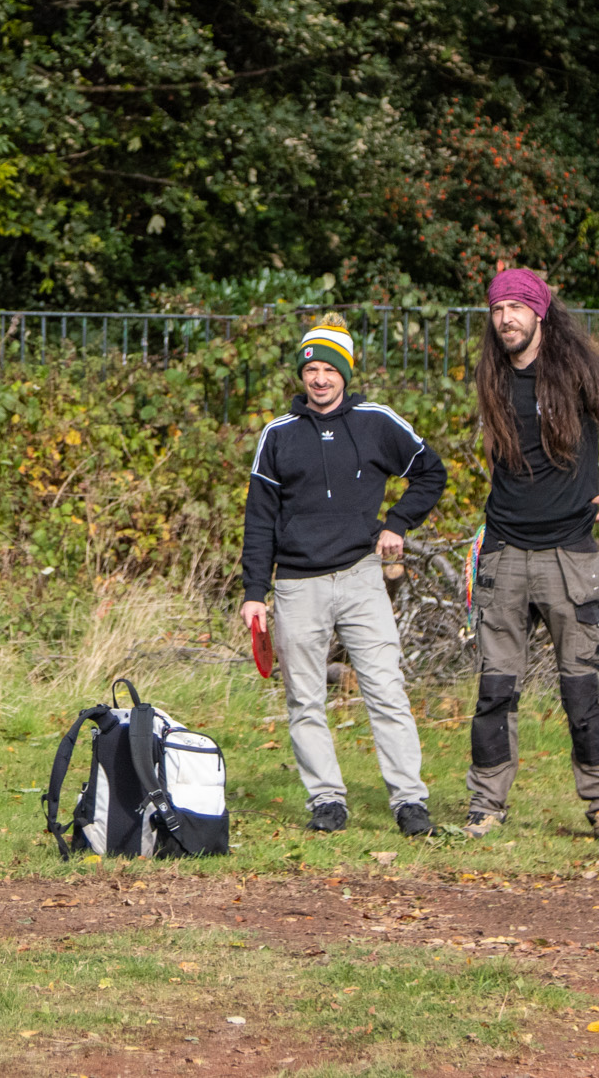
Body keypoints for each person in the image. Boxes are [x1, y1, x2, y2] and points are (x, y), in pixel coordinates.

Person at [465, 267, 599, 846]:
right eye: (498, 310)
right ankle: (486, 805)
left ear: (540, 313)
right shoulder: (492, 377)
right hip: (503, 554)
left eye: (518, 309)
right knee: (495, 688)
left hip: (569, 556)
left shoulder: (578, 371)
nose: (507, 320)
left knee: (582, 689)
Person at [240, 314, 449, 836]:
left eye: (330, 369)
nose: (320, 378)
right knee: (305, 699)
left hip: (360, 577)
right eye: (311, 368)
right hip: (295, 585)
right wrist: (253, 592)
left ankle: (409, 801)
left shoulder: (377, 422)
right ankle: (326, 801)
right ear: (302, 374)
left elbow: (431, 470)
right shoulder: (277, 435)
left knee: (386, 689)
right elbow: (259, 519)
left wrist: (398, 523)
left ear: (345, 373)